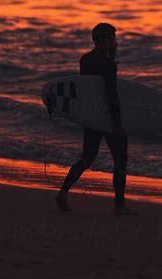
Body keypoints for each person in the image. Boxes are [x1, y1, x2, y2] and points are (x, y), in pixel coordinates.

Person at [56, 23, 138, 215]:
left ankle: (63, 193)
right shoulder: (108, 64)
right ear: (98, 41)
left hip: (91, 116)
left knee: (87, 157)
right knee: (120, 159)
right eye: (110, 38)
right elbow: (110, 95)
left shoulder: (85, 60)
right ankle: (119, 205)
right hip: (106, 118)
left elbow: (88, 90)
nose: (114, 42)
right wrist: (117, 124)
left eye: (114, 38)